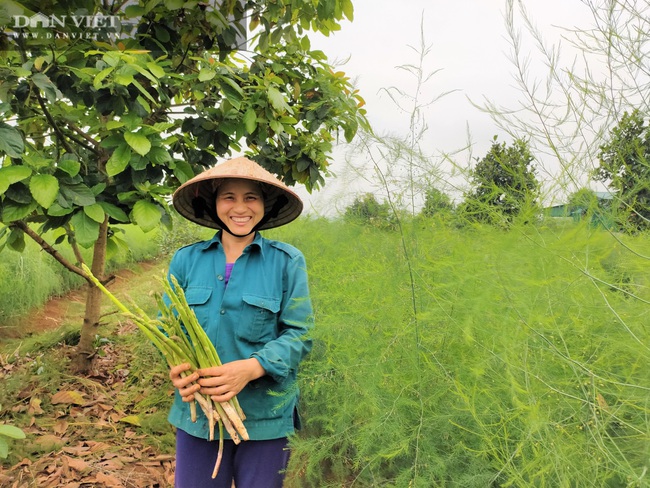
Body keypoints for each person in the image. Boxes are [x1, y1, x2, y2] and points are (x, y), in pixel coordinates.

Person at [165, 156, 313, 487]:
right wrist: (177, 364)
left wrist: (251, 368)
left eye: (251, 197)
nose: (240, 207)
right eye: (228, 197)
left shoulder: (287, 262)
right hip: (199, 413)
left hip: (265, 416)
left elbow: (300, 335)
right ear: (213, 203)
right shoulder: (186, 260)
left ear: (265, 205)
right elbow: (167, 327)